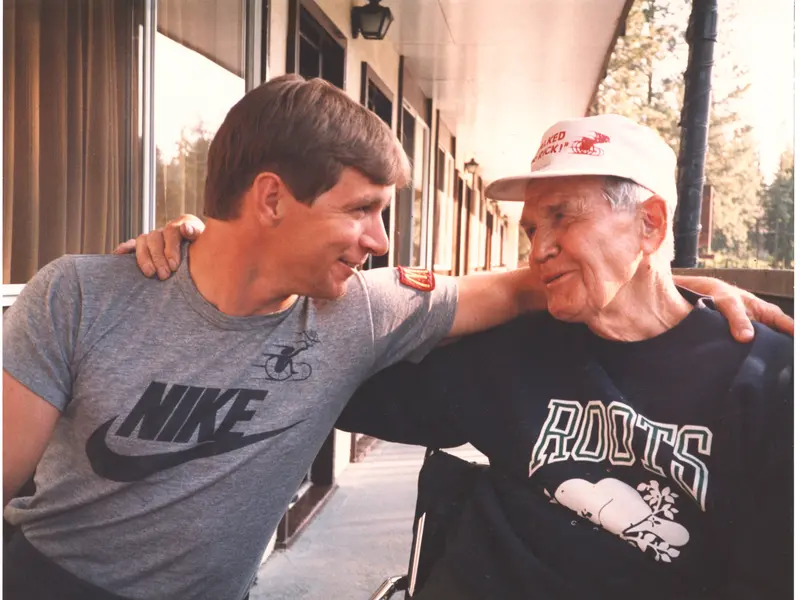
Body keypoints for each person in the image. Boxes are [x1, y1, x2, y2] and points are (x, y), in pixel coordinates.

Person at [3, 74, 542, 600]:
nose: (379, 240)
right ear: (272, 199)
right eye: (361, 209)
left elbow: (526, 289)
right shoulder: (80, 294)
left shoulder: (361, 313)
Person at [335, 114, 794, 599]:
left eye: (563, 216)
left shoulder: (766, 382)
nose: (538, 250)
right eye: (532, 229)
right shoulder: (512, 349)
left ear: (650, 224)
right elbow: (339, 380)